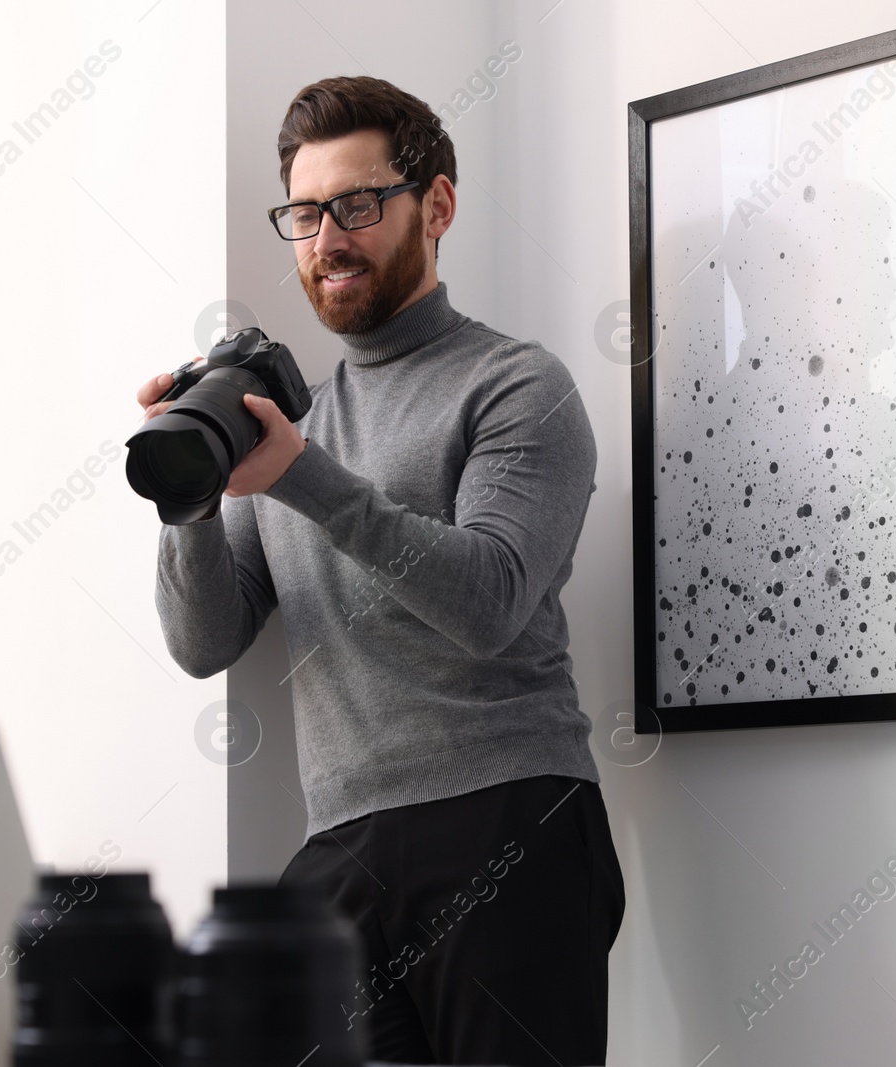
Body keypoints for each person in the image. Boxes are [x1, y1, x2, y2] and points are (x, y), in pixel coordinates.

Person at [139, 75, 624, 1066]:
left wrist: (304, 476)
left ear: (435, 206)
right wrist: (186, 492)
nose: (327, 240)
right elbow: (204, 641)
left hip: (508, 818)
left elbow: (488, 599)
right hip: (343, 839)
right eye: (305, 213)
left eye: (356, 205)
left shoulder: (515, 386)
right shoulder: (286, 424)